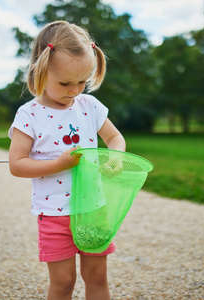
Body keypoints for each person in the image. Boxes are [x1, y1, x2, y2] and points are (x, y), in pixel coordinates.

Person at [8, 20, 125, 300]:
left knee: (97, 276)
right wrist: (57, 165)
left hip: (93, 208)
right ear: (42, 69)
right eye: (65, 83)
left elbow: (115, 139)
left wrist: (116, 158)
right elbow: (17, 164)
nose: (74, 90)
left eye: (82, 82)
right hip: (54, 214)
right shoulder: (29, 115)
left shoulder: (90, 107)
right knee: (63, 281)